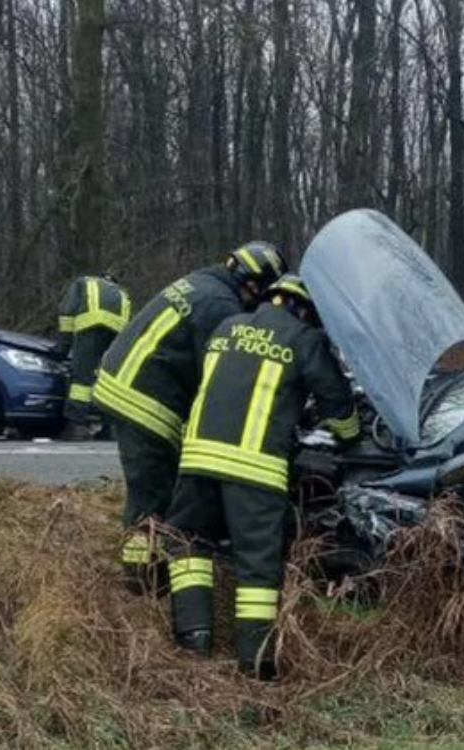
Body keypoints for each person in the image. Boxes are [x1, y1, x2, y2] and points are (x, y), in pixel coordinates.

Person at [163, 274, 361, 680]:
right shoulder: (304, 339)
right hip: (254, 470)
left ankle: (193, 640)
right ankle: (255, 663)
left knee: (188, 543)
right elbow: (337, 404)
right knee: (257, 566)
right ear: (306, 311)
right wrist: (351, 433)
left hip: (197, 459)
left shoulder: (226, 327)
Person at [94, 242, 288, 593]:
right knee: (153, 495)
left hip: (126, 383)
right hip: (144, 401)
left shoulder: (204, 282)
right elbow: (219, 371)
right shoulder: (221, 306)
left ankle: (149, 572)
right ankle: (143, 584)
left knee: (155, 486)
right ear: (253, 285)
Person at [54, 270, 131, 438]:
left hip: (92, 325)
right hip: (118, 333)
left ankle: (77, 426)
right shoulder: (121, 292)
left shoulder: (83, 282)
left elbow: (67, 314)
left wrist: (62, 347)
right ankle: (109, 429)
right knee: (106, 379)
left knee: (82, 377)